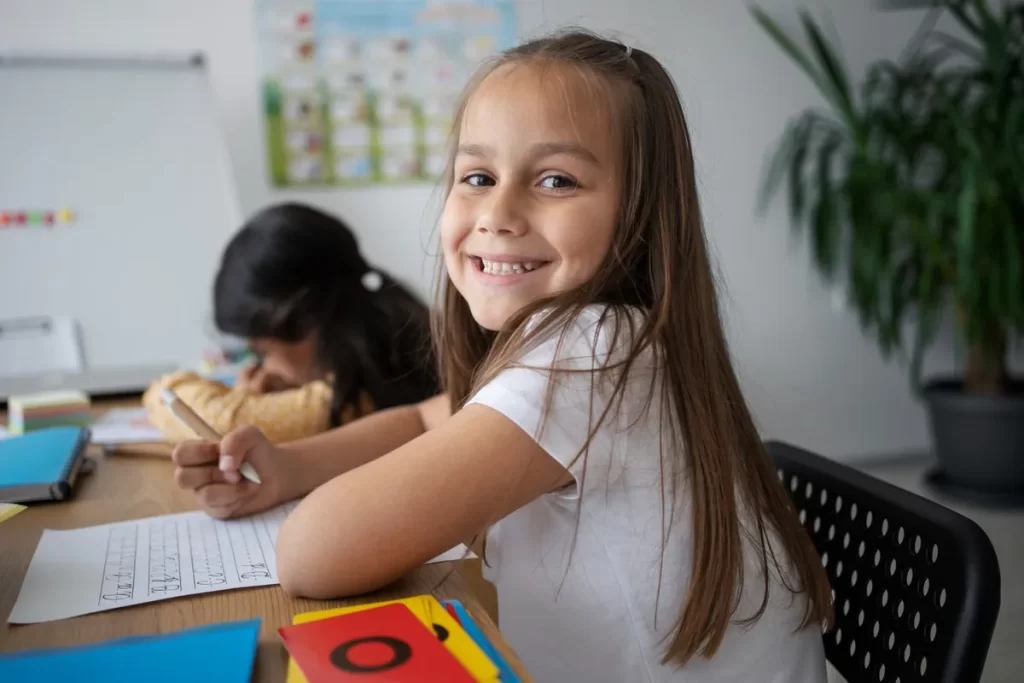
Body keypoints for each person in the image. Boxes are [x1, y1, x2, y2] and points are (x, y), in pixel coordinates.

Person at [171, 31, 832, 682]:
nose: (499, 211)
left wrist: (303, 494)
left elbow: (311, 553)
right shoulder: (608, 344)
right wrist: (288, 467)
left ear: (638, 214)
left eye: (555, 179)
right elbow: (426, 417)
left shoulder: (595, 354)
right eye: (478, 175)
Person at [144, 202, 438, 443]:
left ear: (306, 319)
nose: (267, 369)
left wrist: (244, 399)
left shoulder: (351, 401)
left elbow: (226, 422)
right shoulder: (395, 344)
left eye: (264, 353)